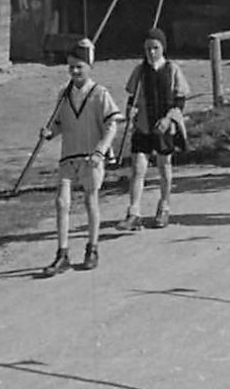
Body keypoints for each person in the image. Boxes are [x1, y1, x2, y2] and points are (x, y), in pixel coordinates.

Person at [39, 39, 122, 276]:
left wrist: (101, 150)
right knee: (61, 202)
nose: (74, 72)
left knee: (90, 200)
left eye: (79, 67)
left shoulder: (99, 94)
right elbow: (58, 124)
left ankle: (92, 248)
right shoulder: (63, 95)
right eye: (71, 67)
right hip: (68, 155)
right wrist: (49, 134)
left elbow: (112, 125)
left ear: (89, 67)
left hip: (90, 157)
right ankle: (62, 253)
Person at [118, 27, 190, 231]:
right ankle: (133, 212)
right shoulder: (139, 71)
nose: (151, 53)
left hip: (164, 128)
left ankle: (164, 206)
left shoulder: (172, 69)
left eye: (155, 48)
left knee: (164, 167)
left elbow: (180, 100)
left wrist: (169, 119)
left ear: (163, 48)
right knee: (138, 168)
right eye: (148, 48)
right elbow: (132, 98)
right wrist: (130, 110)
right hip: (143, 126)